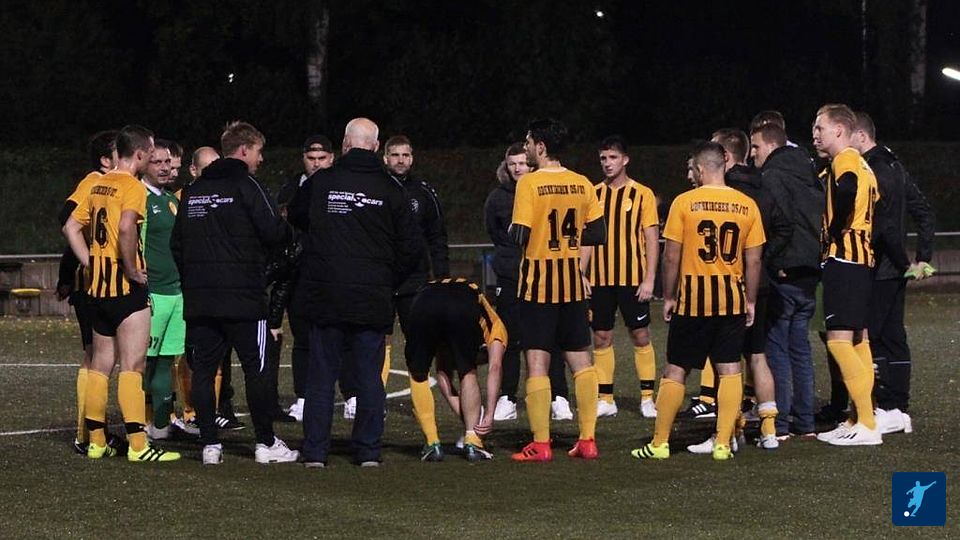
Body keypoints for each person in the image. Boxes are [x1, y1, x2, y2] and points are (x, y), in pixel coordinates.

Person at [290, 117, 421, 468]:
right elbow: (412, 247)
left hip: (326, 295)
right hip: (372, 297)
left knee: (321, 376)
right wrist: (387, 279)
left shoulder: (322, 182)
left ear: (345, 144)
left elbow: (296, 216)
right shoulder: (392, 189)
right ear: (376, 147)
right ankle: (367, 451)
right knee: (369, 378)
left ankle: (315, 452)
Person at [171, 121, 296, 465]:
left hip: (201, 300)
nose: (261, 159)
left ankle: (210, 445)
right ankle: (265, 442)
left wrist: (194, 279)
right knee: (257, 369)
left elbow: (177, 244)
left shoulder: (194, 191)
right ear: (244, 150)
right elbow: (273, 232)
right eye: (258, 152)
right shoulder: (248, 185)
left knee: (203, 371)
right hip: (244, 299)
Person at [631, 141, 764, 462]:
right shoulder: (747, 205)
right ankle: (722, 443)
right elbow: (754, 260)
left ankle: (660, 443)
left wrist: (669, 295)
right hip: (731, 298)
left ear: (701, 169)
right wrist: (750, 300)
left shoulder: (684, 202)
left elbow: (671, 256)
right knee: (729, 368)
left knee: (676, 369)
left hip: (693, 300)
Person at [62, 124, 180, 462]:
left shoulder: (98, 182)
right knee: (133, 366)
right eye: (151, 153)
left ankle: (97, 442)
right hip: (126, 290)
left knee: (100, 366)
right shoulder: (132, 186)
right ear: (140, 154)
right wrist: (129, 269)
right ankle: (139, 446)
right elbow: (127, 226)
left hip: (97, 289)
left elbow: (70, 226)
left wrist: (92, 262)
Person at [509, 118, 606, 462]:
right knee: (582, 361)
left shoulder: (529, 183)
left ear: (541, 146)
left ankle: (541, 444)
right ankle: (588, 439)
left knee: (537, 362)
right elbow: (598, 233)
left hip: (538, 284)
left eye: (528, 142)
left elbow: (519, 235)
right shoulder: (582, 183)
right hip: (572, 282)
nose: (525, 148)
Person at [851, 112, 935, 434]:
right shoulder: (895, 164)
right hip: (893, 270)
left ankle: (884, 405)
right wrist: (921, 259)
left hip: (879, 267)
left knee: (872, 338)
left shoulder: (871, 168)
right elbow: (924, 212)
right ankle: (897, 408)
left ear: (861, 136)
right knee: (893, 337)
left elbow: (885, 227)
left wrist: (906, 263)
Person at [484, 143, 571, 422]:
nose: (518, 168)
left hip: (543, 273)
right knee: (509, 337)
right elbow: (495, 233)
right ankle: (507, 397)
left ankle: (559, 396)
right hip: (510, 276)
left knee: (551, 336)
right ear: (506, 166)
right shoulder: (497, 198)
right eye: (512, 164)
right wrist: (510, 259)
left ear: (531, 163)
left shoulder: (543, 189)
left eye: (522, 162)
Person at [811, 103, 882, 446]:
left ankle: (866, 422)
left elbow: (849, 188)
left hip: (844, 259)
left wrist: (836, 229)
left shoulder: (846, 158)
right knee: (858, 341)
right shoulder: (864, 163)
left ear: (839, 130)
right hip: (861, 260)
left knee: (838, 341)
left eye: (819, 128)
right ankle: (861, 417)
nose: (815, 135)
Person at [750, 121, 824, 439]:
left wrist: (772, 261)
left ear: (771, 145)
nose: (753, 153)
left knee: (777, 349)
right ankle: (805, 422)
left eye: (756, 146)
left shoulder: (772, 175)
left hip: (786, 270)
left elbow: (781, 225)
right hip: (810, 269)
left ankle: (779, 422)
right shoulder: (809, 171)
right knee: (800, 349)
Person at [580, 135, 660, 419]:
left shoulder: (642, 194)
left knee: (640, 334)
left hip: (633, 278)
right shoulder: (593, 194)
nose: (607, 163)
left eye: (613, 157)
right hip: (600, 280)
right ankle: (606, 398)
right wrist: (581, 272)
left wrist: (650, 279)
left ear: (625, 159)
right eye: (603, 158)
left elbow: (651, 239)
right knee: (601, 336)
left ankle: (648, 397)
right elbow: (587, 238)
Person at [377, 135, 450, 420]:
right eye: (395, 155)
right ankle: (374, 401)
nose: (400, 160)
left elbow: (437, 237)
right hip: (382, 280)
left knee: (417, 343)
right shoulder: (376, 189)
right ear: (385, 158)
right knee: (379, 341)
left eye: (405, 155)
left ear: (412, 158)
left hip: (414, 282)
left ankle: (425, 414)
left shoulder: (423, 193)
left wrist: (442, 278)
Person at [57, 129, 120, 454]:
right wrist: (87, 262)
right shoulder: (94, 180)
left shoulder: (112, 184)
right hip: (91, 284)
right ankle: (87, 433)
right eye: (119, 151)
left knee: (101, 356)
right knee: (95, 356)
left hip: (100, 283)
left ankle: (93, 430)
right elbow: (67, 217)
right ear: (105, 160)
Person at [406, 278, 505, 462]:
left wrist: (470, 419)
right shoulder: (496, 326)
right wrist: (489, 415)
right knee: (467, 371)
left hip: (423, 301)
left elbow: (442, 373)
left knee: (418, 374)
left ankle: (432, 443)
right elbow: (495, 367)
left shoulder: (449, 343)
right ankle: (473, 443)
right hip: (460, 302)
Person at [275, 135, 336, 421]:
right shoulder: (290, 189)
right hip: (299, 273)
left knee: (338, 335)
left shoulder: (340, 187)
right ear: (303, 159)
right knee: (302, 337)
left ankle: (349, 394)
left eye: (322, 158)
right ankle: (302, 396)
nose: (316, 164)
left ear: (331, 159)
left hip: (332, 273)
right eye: (311, 159)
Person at [139, 140, 186, 441]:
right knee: (146, 362)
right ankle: (138, 424)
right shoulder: (140, 198)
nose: (165, 167)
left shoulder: (171, 199)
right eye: (157, 162)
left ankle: (160, 425)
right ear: (144, 163)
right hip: (153, 292)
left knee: (166, 361)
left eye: (168, 162)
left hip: (177, 293)